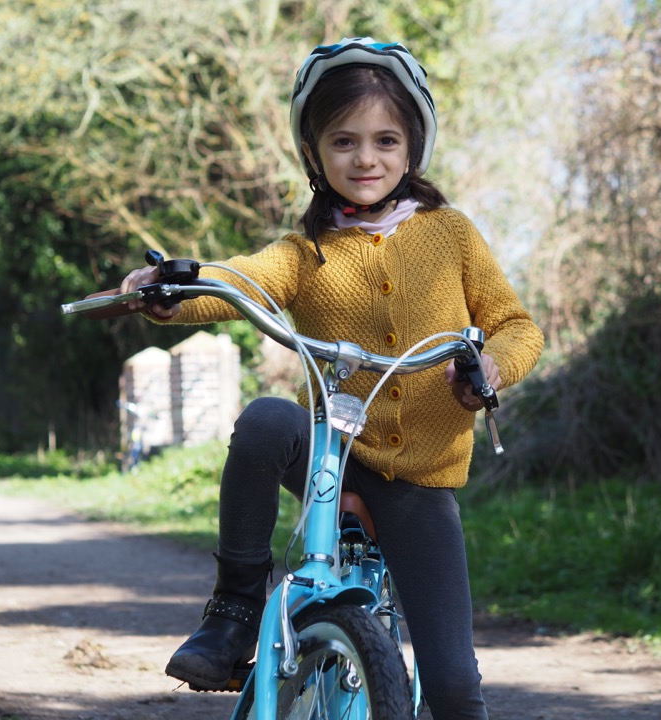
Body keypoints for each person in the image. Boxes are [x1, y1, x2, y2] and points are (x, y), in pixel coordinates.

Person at [119, 37, 544, 720]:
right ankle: (232, 611)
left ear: (412, 147)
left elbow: (517, 325)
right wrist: (177, 285)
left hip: (421, 486)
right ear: (315, 153)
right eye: (343, 141)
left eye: (385, 139)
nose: (366, 158)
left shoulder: (453, 235)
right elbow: (243, 281)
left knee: (456, 688)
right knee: (264, 420)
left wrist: (491, 366)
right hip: (328, 458)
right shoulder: (305, 251)